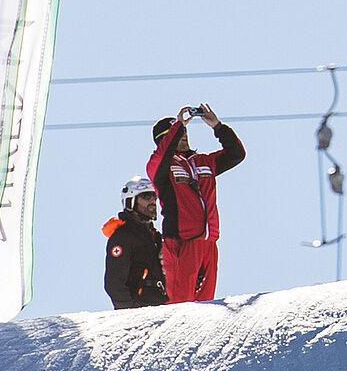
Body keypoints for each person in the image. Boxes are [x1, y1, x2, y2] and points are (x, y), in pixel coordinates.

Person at [147, 103, 247, 302]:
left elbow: (237, 154)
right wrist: (177, 127)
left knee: (206, 307)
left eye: (184, 131)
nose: (183, 134)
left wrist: (217, 126)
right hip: (182, 244)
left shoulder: (204, 162)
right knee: (181, 305)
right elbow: (161, 157)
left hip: (209, 244)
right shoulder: (159, 167)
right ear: (163, 139)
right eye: (176, 131)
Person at [102, 176, 169, 309]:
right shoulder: (123, 236)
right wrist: (130, 311)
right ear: (130, 201)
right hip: (139, 307)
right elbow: (114, 283)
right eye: (146, 196)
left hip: (163, 304)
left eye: (154, 196)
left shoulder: (156, 237)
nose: (152, 200)